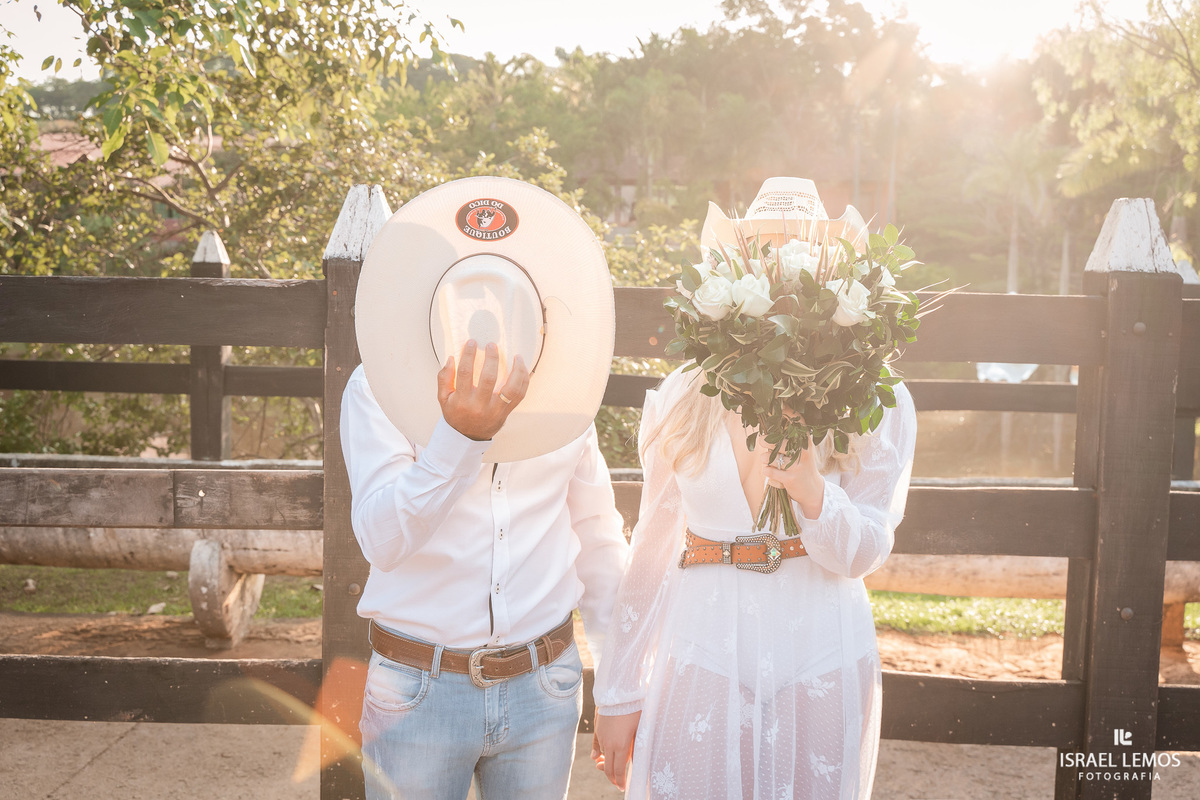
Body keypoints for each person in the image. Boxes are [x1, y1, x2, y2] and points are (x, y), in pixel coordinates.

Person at [342, 176, 630, 799]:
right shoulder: (376, 388)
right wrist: (459, 438)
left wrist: (619, 682)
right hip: (417, 687)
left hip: (544, 686)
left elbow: (599, 539)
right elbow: (383, 541)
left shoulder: (570, 391)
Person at [592, 365, 916, 798]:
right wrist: (619, 691)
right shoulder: (685, 390)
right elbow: (652, 546)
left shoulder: (875, 392)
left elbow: (866, 552)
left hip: (820, 652)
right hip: (702, 649)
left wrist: (816, 495)